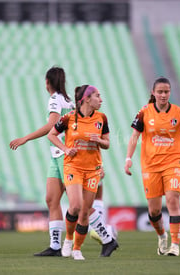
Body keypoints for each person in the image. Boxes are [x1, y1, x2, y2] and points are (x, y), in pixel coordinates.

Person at [124, 77, 180, 256]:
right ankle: (162, 235)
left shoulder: (178, 112)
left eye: (166, 91)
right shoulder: (144, 112)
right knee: (154, 210)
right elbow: (134, 136)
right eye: (160, 92)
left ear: (170, 92)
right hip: (150, 165)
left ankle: (175, 245)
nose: (163, 95)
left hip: (173, 162)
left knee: (173, 199)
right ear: (153, 93)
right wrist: (128, 158)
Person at [47, 85, 118, 260]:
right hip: (73, 167)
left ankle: (77, 249)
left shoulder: (102, 118)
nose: (101, 99)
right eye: (97, 96)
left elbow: (108, 143)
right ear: (86, 99)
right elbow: (51, 134)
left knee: (85, 212)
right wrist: (65, 149)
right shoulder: (69, 118)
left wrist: (99, 140)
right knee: (76, 206)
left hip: (93, 170)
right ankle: (69, 240)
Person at [9, 66, 74, 256]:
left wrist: (25, 138)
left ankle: (106, 235)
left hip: (64, 154)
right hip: (57, 155)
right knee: (52, 199)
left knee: (75, 203)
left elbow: (52, 126)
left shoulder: (55, 100)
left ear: (47, 83)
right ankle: (55, 246)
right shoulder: (68, 99)